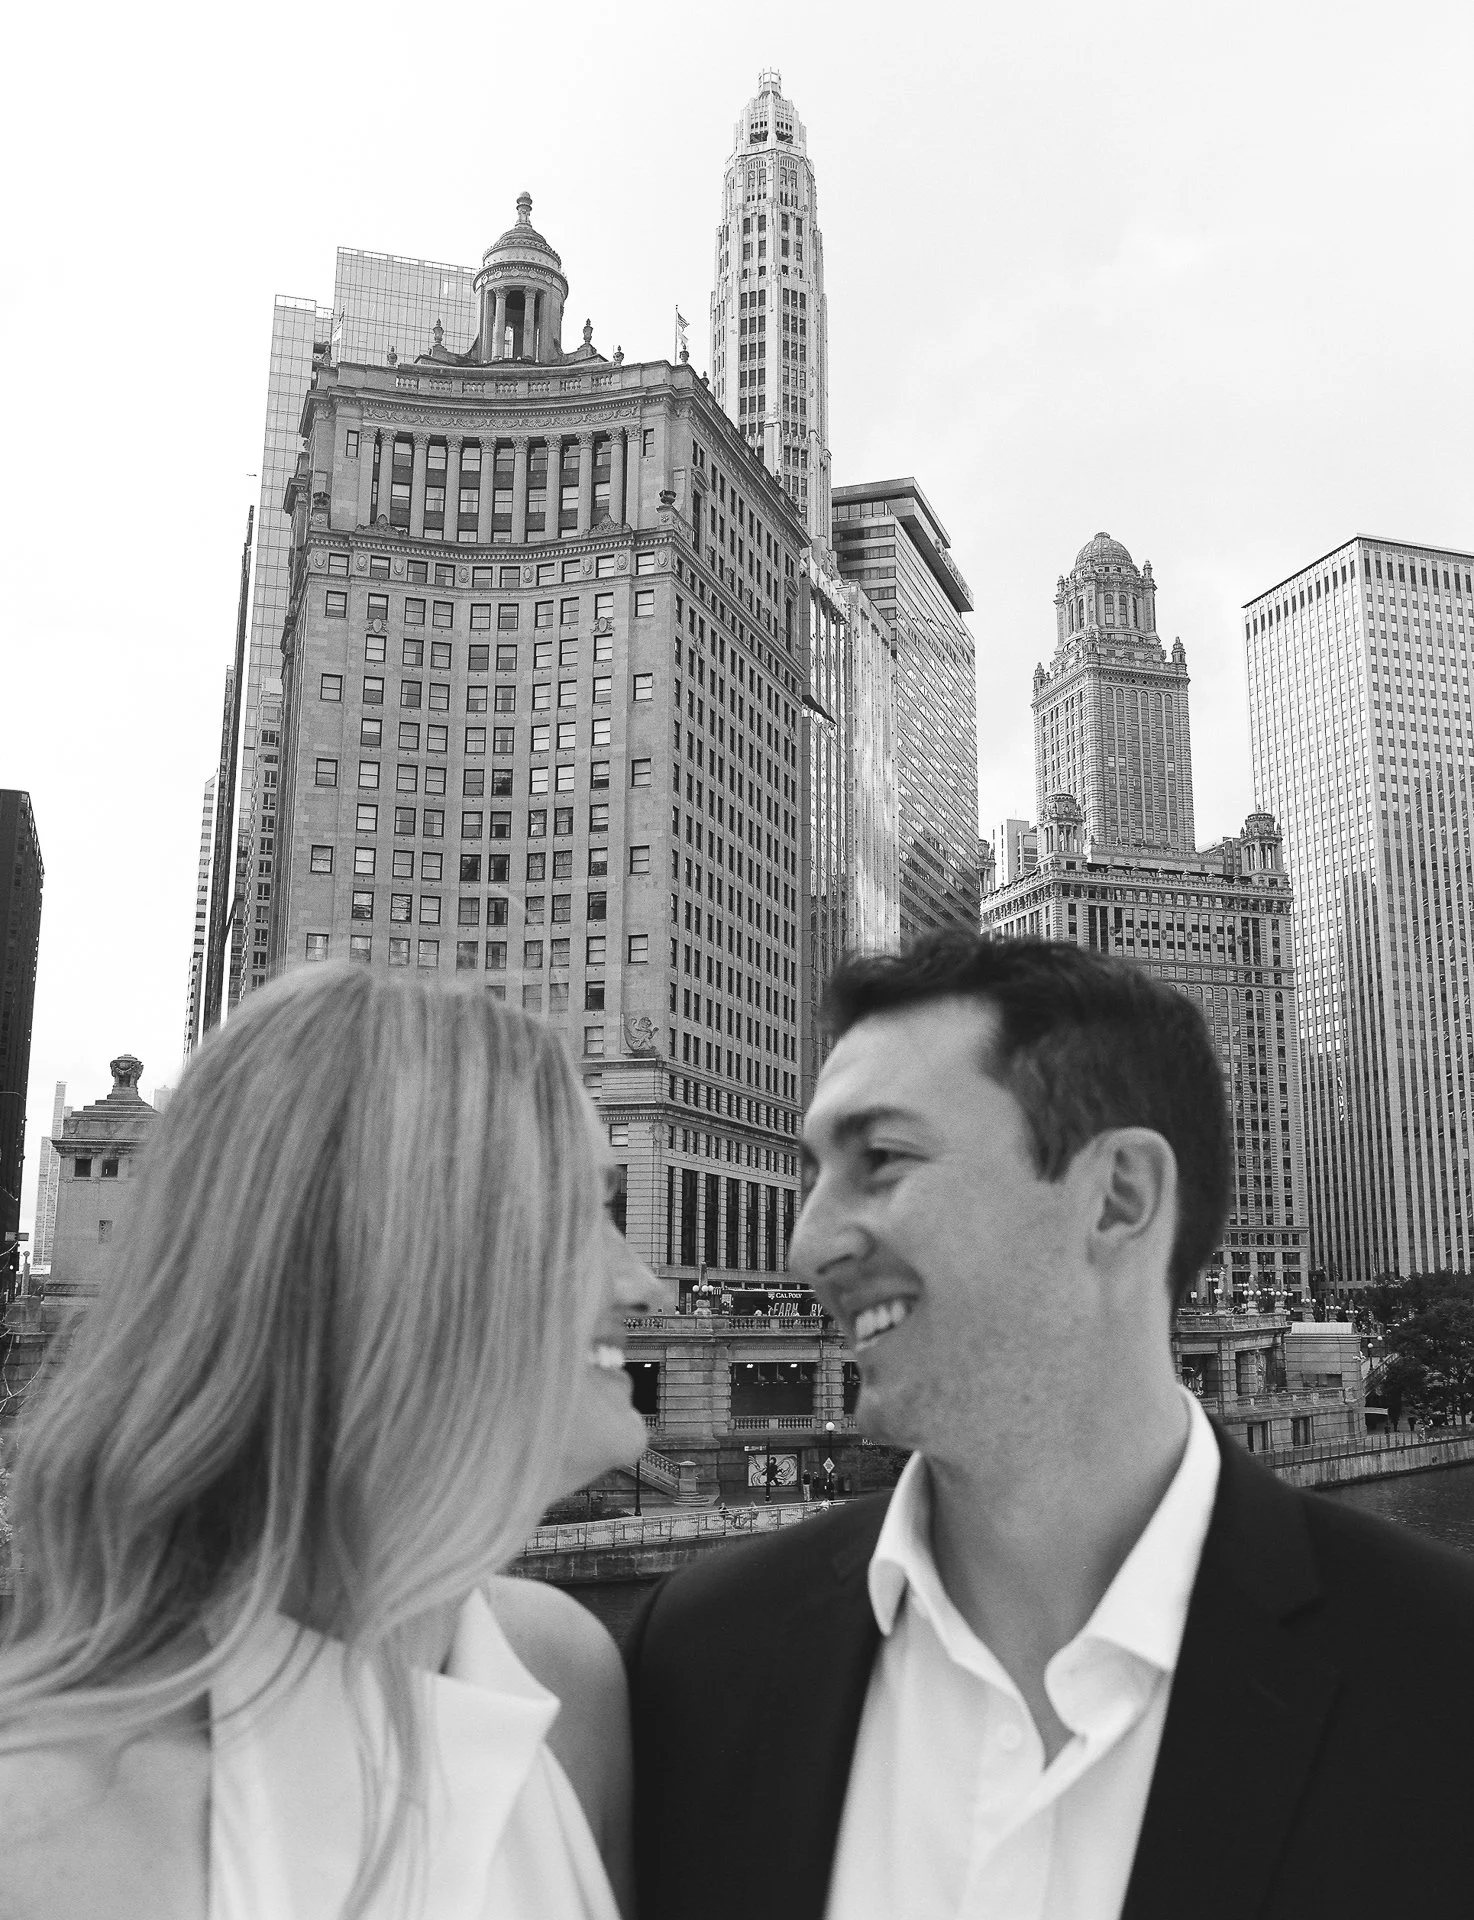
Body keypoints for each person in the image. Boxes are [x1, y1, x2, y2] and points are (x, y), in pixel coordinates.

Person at [628, 934, 1474, 1919]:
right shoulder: (696, 1657)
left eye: (883, 1159)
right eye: (816, 1168)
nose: (808, 1240)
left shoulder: (1441, 1679)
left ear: (1118, 1196)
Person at [1, 963, 670, 1919]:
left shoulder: (561, 1679)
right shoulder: (46, 1840)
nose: (647, 1283)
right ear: (411, 1256)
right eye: (583, 1212)